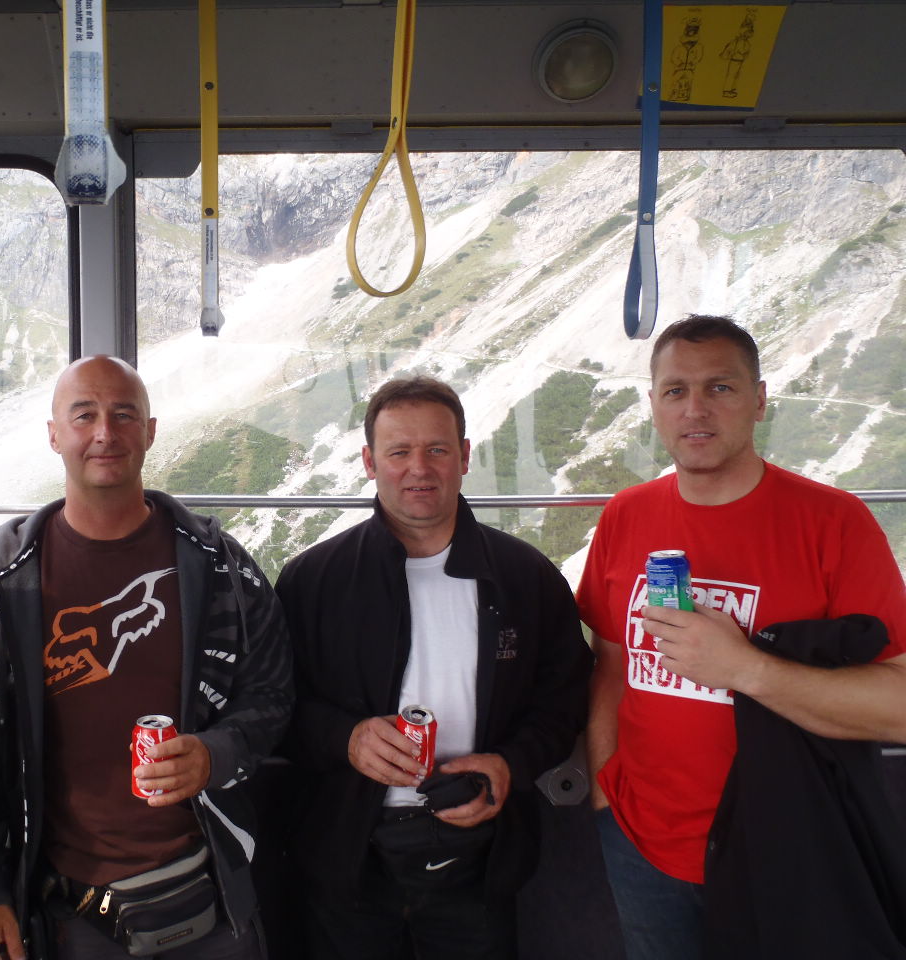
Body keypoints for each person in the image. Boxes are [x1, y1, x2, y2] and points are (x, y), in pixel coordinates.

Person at [0, 355, 292, 960]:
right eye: (84, 415)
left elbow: (272, 693)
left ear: (150, 431)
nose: (104, 433)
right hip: (70, 912)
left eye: (124, 415)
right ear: (54, 435)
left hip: (213, 893)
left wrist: (216, 754)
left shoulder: (218, 565)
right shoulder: (4, 582)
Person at [578, 315, 906, 960]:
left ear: (759, 400)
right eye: (675, 390)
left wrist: (745, 669)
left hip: (790, 849)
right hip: (641, 843)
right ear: (653, 404)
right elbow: (611, 664)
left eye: (720, 387)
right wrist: (603, 792)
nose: (695, 409)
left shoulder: (834, 523)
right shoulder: (625, 515)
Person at [275, 375, 592, 960]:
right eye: (399, 451)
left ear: (465, 457)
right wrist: (346, 739)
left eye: (437, 449)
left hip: (481, 855)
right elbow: (274, 704)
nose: (419, 468)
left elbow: (565, 698)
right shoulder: (311, 580)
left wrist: (510, 764)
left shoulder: (526, 577)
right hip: (347, 858)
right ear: (370, 462)